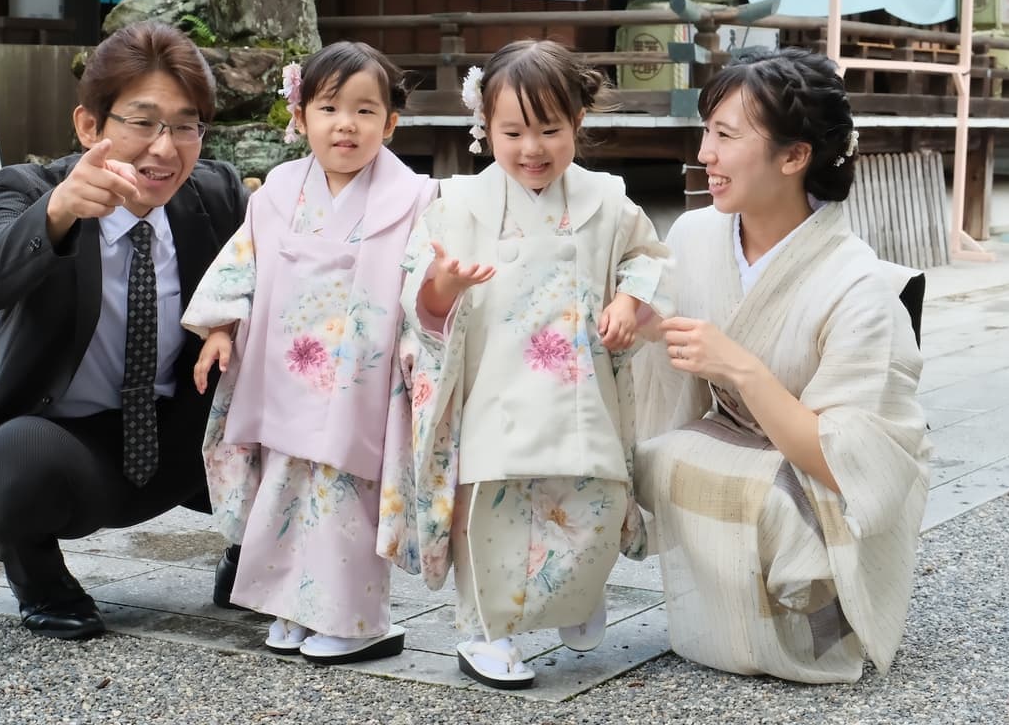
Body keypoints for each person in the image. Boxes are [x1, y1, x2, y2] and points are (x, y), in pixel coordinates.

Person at [631, 48, 932, 684]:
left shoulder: (857, 286)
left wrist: (741, 370)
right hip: (744, 446)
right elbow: (667, 393)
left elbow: (845, 463)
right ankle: (732, 617)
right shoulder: (693, 236)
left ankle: (823, 619)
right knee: (660, 456)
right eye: (707, 131)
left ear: (795, 157)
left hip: (818, 484)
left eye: (727, 136)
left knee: (764, 491)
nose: (705, 153)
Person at [0, 21, 249, 640]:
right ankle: (41, 581)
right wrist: (56, 213)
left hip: (182, 435)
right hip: (66, 442)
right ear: (90, 127)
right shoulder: (28, 189)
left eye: (185, 125)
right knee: (12, 463)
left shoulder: (216, 196)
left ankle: (256, 559)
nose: (165, 149)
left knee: (304, 402)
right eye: (142, 122)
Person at [383, 40, 671, 690]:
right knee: (493, 519)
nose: (531, 149)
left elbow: (648, 259)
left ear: (578, 125)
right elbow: (416, 299)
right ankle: (486, 635)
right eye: (512, 131)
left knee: (592, 501)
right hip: (496, 389)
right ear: (483, 128)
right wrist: (442, 289)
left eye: (550, 129)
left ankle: (569, 594)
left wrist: (629, 299)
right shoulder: (458, 205)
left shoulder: (608, 200)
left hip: (579, 392)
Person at [180, 41, 435, 665]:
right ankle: (291, 606)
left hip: (360, 376)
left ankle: (352, 620)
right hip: (284, 368)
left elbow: (422, 280)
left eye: (365, 111)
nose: (345, 124)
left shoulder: (414, 197)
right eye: (328, 108)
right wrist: (217, 330)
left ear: (391, 123)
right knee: (283, 487)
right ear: (301, 116)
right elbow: (244, 261)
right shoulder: (276, 193)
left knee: (346, 492)